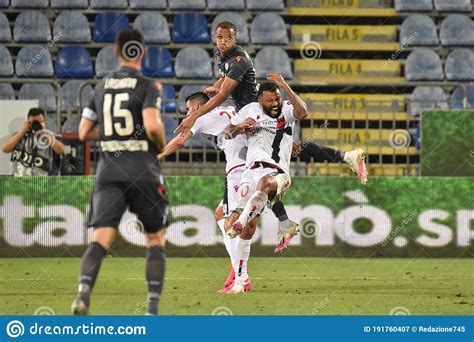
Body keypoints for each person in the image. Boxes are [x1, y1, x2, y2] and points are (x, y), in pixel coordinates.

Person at [174, 21, 367, 185]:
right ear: (215, 38)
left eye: (228, 38)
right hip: (248, 110)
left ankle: (250, 196)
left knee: (287, 147)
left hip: (257, 110)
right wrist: (215, 86)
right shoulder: (220, 55)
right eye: (220, 37)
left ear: (236, 39)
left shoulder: (239, 60)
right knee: (292, 147)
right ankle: (346, 157)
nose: (223, 42)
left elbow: (223, 95)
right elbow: (224, 80)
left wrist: (194, 116)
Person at [71, 28, 168, 315]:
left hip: (108, 170)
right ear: (143, 51)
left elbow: (83, 132)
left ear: (116, 52)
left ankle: (83, 293)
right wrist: (160, 143)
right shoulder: (150, 85)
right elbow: (152, 126)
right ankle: (151, 309)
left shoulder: (100, 86)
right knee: (155, 239)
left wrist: (113, 136)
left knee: (101, 238)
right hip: (142, 167)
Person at [158, 92, 255, 293]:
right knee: (221, 214)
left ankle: (241, 275)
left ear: (196, 106)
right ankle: (236, 267)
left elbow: (179, 141)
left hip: (238, 171)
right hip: (251, 164)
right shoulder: (226, 111)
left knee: (231, 223)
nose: (187, 113)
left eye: (187, 109)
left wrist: (158, 156)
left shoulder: (202, 116)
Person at [225, 76, 308, 293]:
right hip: (249, 174)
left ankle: (242, 221)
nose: (275, 104)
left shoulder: (286, 111)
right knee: (240, 227)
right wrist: (240, 126)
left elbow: (303, 112)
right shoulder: (250, 110)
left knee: (265, 184)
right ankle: (241, 279)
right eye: (270, 100)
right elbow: (228, 133)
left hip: (277, 173)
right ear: (260, 99)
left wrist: (284, 86)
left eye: (277, 99)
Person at [2, 107, 64, 176]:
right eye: (34, 122)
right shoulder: (19, 136)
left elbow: (61, 150)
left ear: (44, 122)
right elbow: (5, 148)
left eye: (40, 122)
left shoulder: (51, 136)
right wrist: (21, 133)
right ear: (27, 121)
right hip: (19, 183)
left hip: (43, 183)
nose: (36, 125)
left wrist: (45, 134)